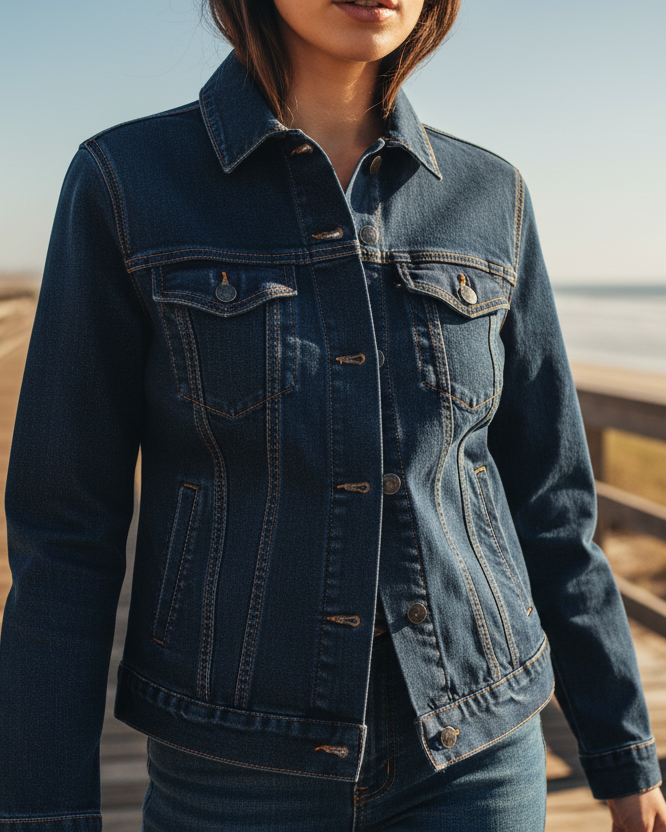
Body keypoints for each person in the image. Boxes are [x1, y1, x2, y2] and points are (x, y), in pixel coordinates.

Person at [0, 0, 664, 829]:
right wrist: (43, 808)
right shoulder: (127, 182)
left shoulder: (491, 196)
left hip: (476, 755)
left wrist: (620, 748)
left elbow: (551, 507)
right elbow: (64, 532)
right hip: (233, 767)